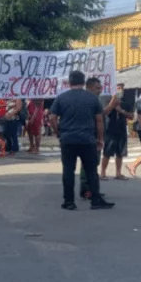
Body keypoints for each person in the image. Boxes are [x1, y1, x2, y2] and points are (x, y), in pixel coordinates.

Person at [49, 71, 114, 210]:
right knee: (91, 171)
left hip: (68, 139)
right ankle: (95, 200)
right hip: (87, 139)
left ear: (69, 82)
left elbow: (52, 118)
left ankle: (69, 201)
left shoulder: (61, 98)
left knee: (68, 171)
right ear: (84, 82)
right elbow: (99, 120)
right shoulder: (92, 99)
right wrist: (100, 139)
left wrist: (59, 132)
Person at [100, 83, 133, 181]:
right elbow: (103, 113)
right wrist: (112, 104)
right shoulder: (107, 100)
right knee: (107, 152)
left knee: (120, 152)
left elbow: (131, 116)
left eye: (121, 89)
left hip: (121, 129)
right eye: (118, 88)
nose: (119, 91)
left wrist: (121, 111)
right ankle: (103, 172)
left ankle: (118, 173)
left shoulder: (125, 102)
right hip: (110, 130)